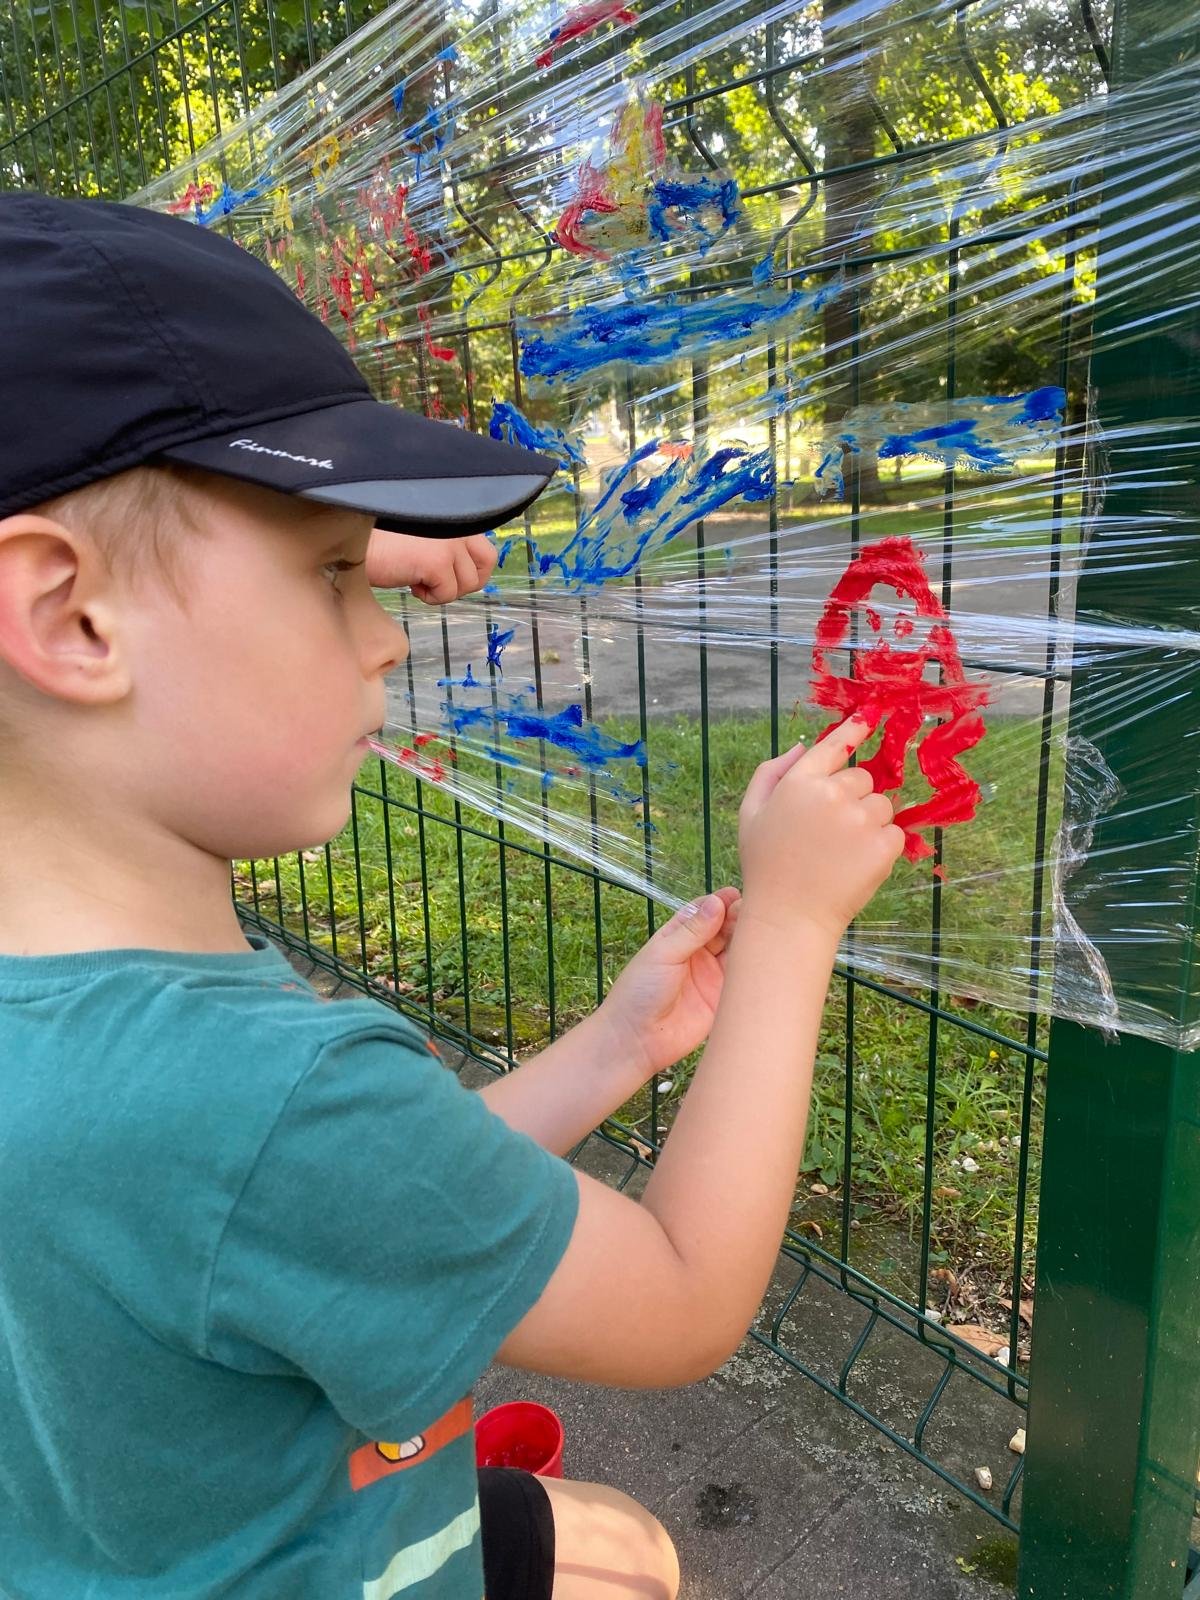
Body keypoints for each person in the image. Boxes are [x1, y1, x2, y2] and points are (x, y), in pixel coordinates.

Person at [0, 192, 904, 1600]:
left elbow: (322, 1209)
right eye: (333, 576)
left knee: (614, 1544)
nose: (385, 641)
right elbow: (681, 1294)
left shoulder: (102, 1038)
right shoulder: (268, 1098)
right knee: (644, 1566)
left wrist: (616, 1048)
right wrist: (793, 924)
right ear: (70, 616)